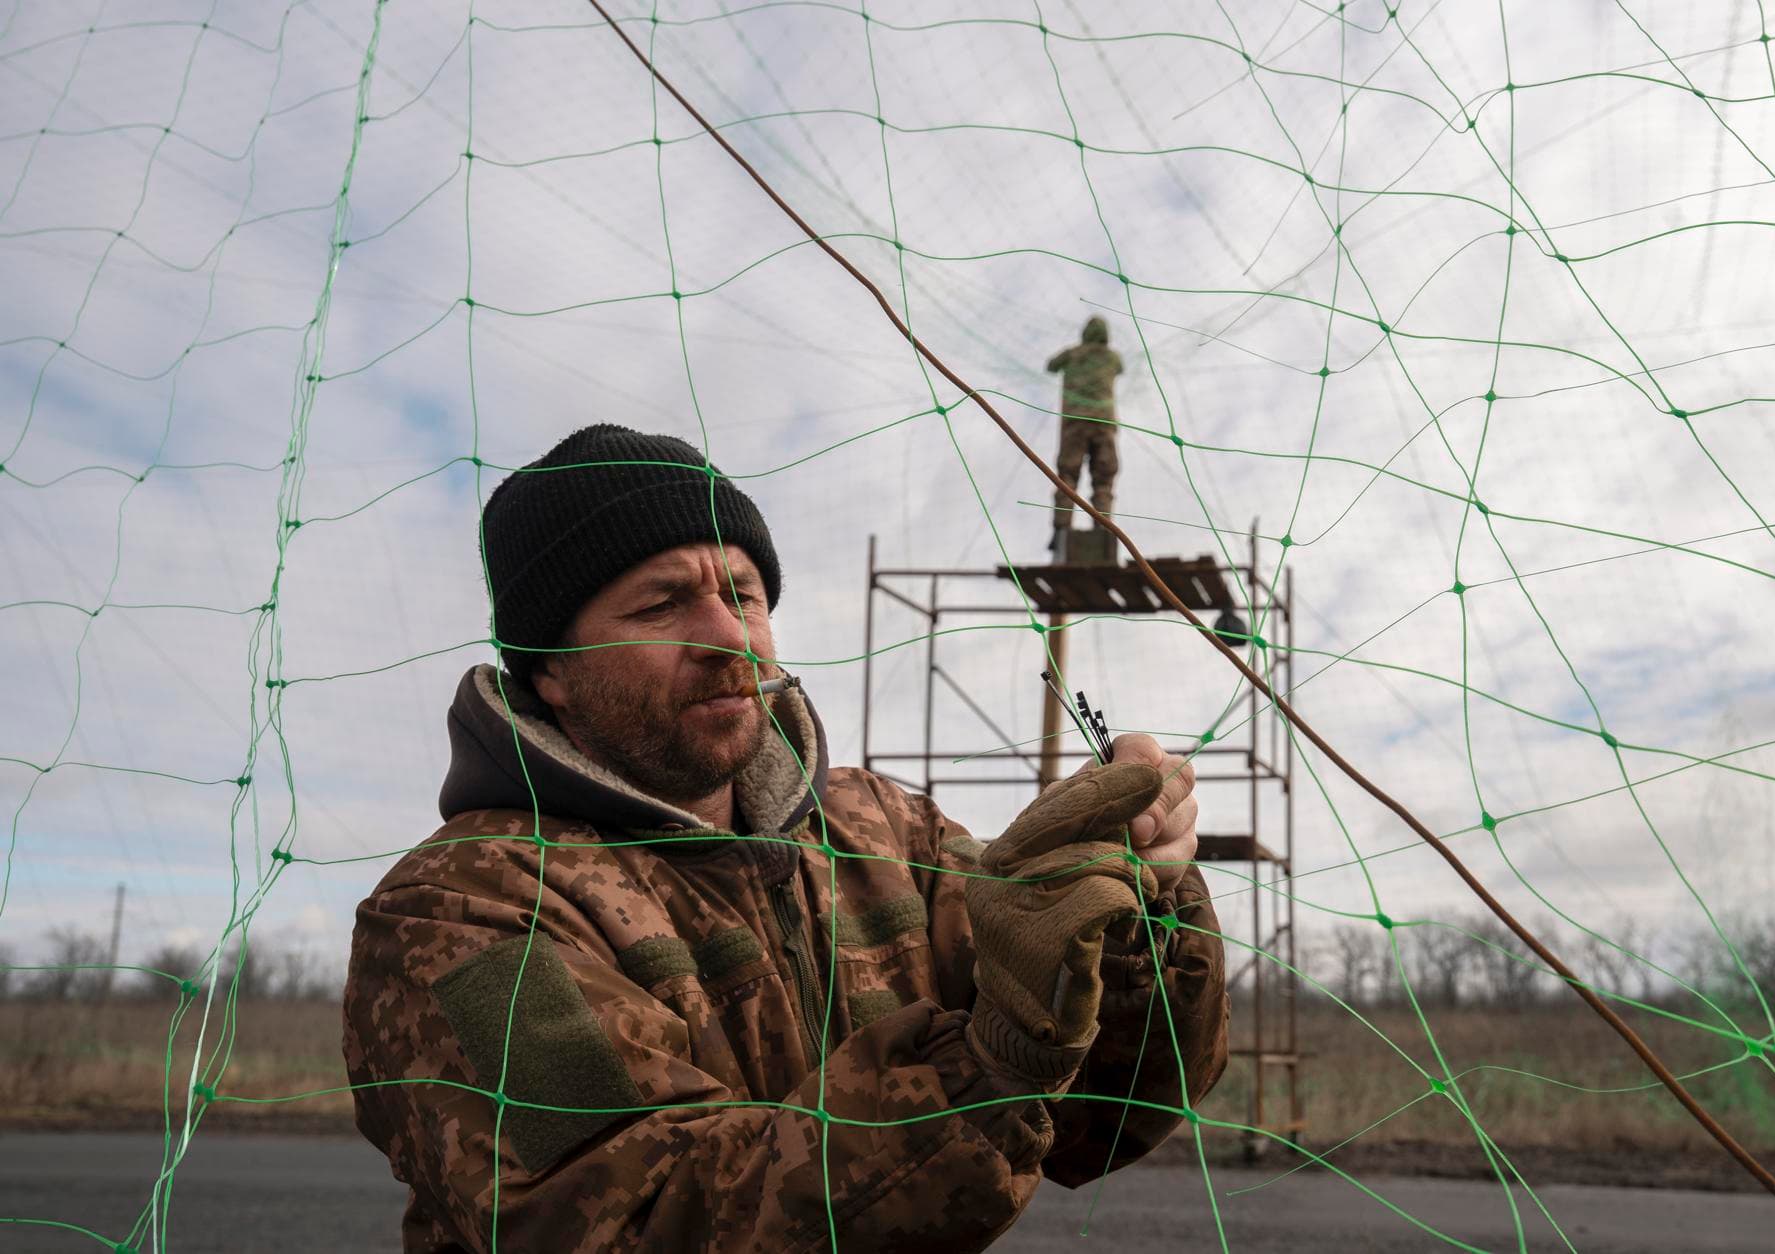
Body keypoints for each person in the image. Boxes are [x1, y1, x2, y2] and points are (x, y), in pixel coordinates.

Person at [342, 425, 1228, 1252]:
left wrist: (1137, 908)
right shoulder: (460, 912)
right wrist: (990, 1065)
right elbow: (629, 1216)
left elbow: (1101, 1120)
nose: (732, 639)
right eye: (662, 604)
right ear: (552, 674)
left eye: (746, 594)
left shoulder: (885, 828)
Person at [1046, 316, 1124, 558]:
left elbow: (1051, 365)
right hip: (1104, 423)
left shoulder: (1072, 354)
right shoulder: (1112, 357)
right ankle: (1103, 527)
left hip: (1074, 423)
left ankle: (1062, 528)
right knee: (1104, 478)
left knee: (1067, 475)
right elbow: (1120, 368)